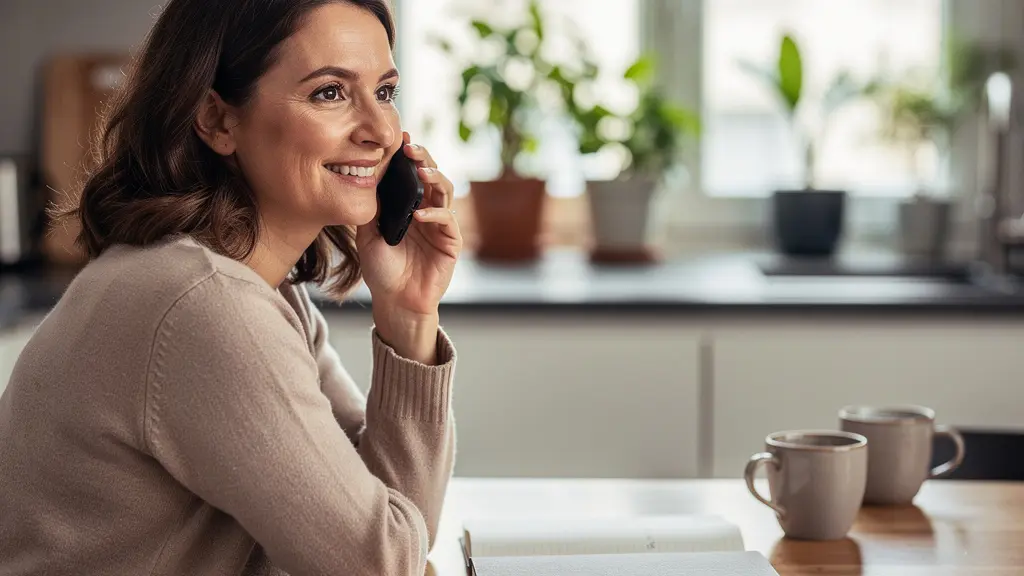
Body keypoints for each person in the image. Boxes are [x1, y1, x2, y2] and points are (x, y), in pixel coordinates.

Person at [0, 0, 462, 574]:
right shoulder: (203, 306)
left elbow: (388, 522)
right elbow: (381, 562)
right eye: (330, 93)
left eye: (385, 92)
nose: (382, 131)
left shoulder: (255, 290)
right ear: (218, 120)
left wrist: (409, 315)